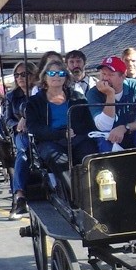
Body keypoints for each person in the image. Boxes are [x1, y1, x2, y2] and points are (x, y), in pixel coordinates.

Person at [26, 60, 98, 189]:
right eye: (52, 73)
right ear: (45, 77)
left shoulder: (77, 98)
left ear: (66, 77)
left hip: (76, 138)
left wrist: (75, 132)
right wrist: (59, 134)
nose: (56, 76)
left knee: (90, 156)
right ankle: (74, 196)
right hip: (49, 140)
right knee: (59, 159)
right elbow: (34, 127)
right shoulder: (34, 102)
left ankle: (94, 191)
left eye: (60, 73)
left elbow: (88, 123)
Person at [86, 55, 136, 152]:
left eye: (111, 75)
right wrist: (110, 95)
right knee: (104, 144)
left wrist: (125, 127)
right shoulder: (93, 93)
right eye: (103, 74)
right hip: (108, 136)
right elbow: (104, 127)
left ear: (123, 76)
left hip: (131, 132)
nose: (105, 78)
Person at [6, 61, 37, 220]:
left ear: (33, 75)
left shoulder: (40, 92)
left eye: (24, 74)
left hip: (39, 132)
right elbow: (7, 120)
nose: (19, 78)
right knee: (23, 153)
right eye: (17, 75)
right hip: (21, 134)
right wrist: (17, 124)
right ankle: (19, 195)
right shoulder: (12, 96)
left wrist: (27, 119)